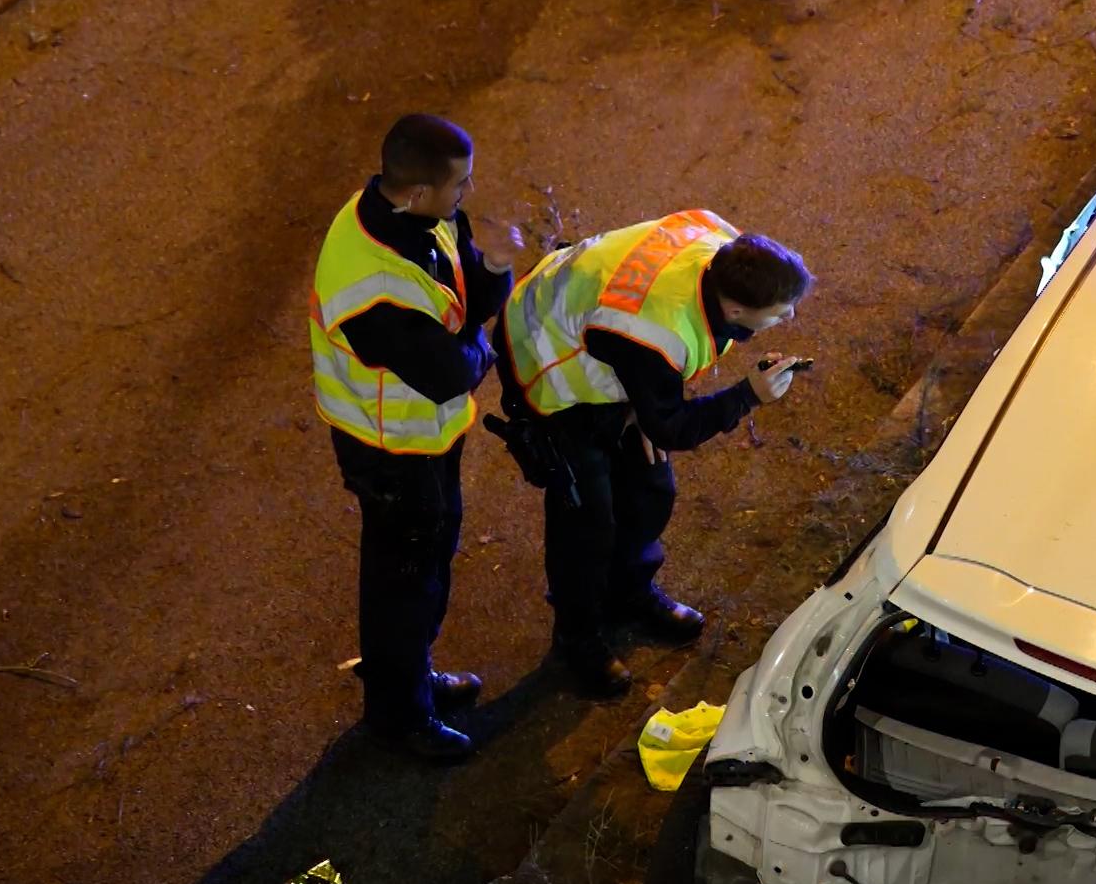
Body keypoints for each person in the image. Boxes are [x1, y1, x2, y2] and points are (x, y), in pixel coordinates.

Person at [495, 210, 812, 695]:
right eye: (778, 311)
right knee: (587, 521)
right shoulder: (653, 333)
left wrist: (647, 403)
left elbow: (660, 403)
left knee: (649, 490)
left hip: (605, 340)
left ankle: (629, 592)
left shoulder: (721, 242)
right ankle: (577, 636)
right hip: (550, 370)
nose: (788, 318)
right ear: (735, 310)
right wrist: (747, 395)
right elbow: (674, 429)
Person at [308, 113, 522, 762]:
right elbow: (448, 373)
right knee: (405, 579)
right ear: (417, 193)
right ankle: (400, 717)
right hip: (389, 450)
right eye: (460, 185)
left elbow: (463, 304)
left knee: (422, 562)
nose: (467, 196)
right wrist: (480, 349)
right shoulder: (368, 283)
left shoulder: (414, 216)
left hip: (421, 441)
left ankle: (405, 675)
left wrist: (492, 266)